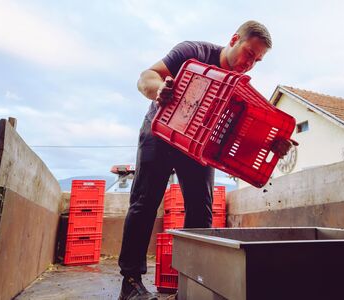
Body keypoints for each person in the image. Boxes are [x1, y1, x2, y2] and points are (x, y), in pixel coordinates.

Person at [118, 20, 293, 300]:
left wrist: (273, 142)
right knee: (144, 202)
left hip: (199, 147)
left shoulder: (239, 86)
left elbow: (244, 134)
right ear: (234, 39)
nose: (250, 64)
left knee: (201, 211)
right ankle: (130, 283)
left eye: (257, 61)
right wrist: (160, 89)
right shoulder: (193, 52)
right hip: (160, 133)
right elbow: (146, 76)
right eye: (249, 54)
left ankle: (191, 282)